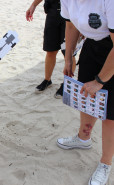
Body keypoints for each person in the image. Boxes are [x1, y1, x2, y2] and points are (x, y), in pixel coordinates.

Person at [57, 0, 114, 184]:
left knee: (110, 114)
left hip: (112, 48)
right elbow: (71, 25)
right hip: (92, 47)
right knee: (86, 98)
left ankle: (105, 163)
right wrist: (68, 57)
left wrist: (100, 81)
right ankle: (83, 138)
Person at [26, 0, 76, 98]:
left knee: (68, 52)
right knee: (50, 50)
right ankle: (47, 80)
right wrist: (34, 5)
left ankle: (67, 83)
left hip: (70, 16)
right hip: (52, 13)